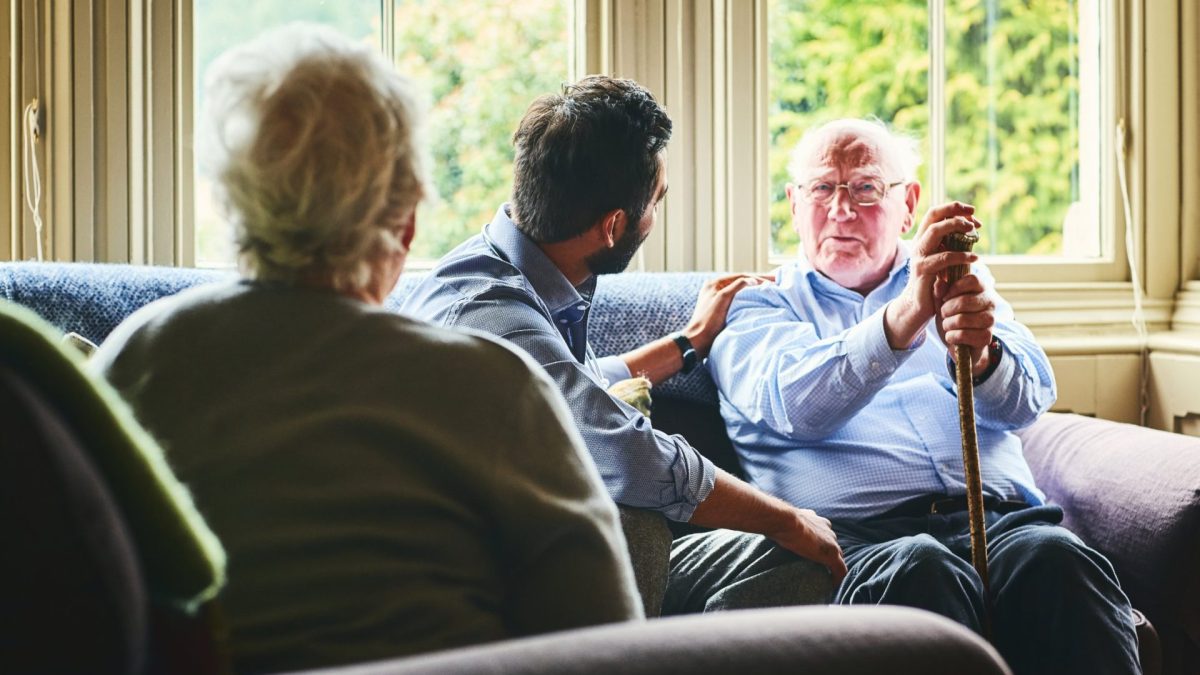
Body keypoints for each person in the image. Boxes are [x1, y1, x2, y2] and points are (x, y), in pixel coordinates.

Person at [91, 25, 641, 673]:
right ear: (406, 219)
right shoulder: (495, 385)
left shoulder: (136, 358)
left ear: (233, 204)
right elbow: (605, 644)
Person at [401, 75, 847, 616]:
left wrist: (690, 341)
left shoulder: (534, 277)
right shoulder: (494, 315)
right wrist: (787, 515)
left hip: (545, 559)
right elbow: (629, 455)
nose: (656, 216)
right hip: (485, 582)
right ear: (613, 226)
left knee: (793, 561)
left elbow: (575, 385)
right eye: (656, 202)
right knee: (635, 516)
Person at [707, 118, 1140, 674]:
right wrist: (908, 316)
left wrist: (982, 358)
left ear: (907, 203)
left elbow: (1032, 399)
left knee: (1057, 557)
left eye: (864, 187)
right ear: (794, 204)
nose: (840, 208)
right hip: (863, 544)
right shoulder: (757, 307)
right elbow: (795, 406)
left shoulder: (961, 281)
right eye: (821, 188)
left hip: (1001, 521)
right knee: (921, 567)